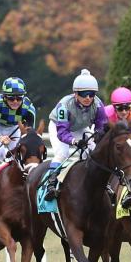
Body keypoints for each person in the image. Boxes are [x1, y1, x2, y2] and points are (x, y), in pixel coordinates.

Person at [42, 68, 107, 200]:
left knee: (93, 150)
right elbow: (62, 133)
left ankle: (98, 183)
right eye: (84, 94)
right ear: (75, 94)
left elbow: (101, 127)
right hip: (59, 127)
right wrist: (75, 141)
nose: (88, 98)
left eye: (91, 94)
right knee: (62, 153)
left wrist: (97, 137)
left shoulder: (99, 105)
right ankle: (50, 184)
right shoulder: (64, 105)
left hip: (80, 127)